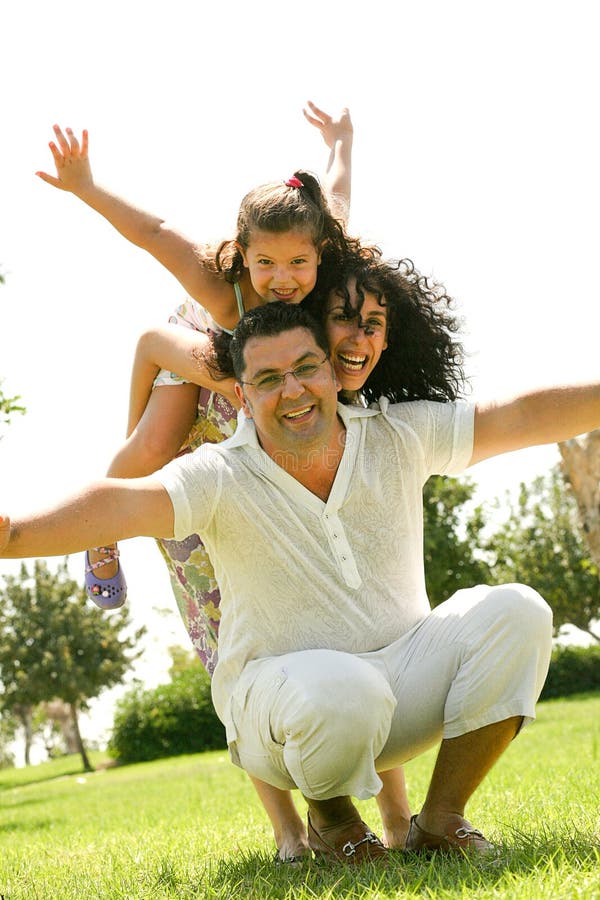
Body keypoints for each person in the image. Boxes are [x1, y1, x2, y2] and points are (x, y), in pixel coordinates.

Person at [4, 303, 597, 864]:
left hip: (402, 685)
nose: (293, 391)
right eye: (268, 379)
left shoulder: (397, 433)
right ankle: (334, 823)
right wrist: (13, 534)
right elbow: (117, 504)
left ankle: (440, 822)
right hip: (283, 716)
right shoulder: (219, 474)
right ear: (241, 393)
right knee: (342, 688)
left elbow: (517, 414)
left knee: (518, 611)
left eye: (306, 368)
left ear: (332, 373)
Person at [36, 108, 419, 859]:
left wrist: (341, 142)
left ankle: (399, 820)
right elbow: (153, 234)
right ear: (240, 257)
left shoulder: (324, 281)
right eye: (264, 263)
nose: (281, 280)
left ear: (321, 257)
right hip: (211, 455)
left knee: (357, 632)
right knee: (234, 651)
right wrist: (86, 186)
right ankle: (287, 830)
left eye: (297, 265)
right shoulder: (226, 297)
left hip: (285, 471)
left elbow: (337, 191)